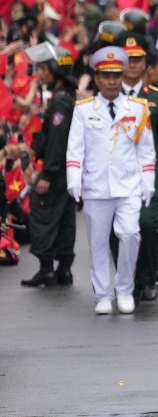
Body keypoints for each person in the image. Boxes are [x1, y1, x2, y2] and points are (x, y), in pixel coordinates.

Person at [67, 45, 156, 316]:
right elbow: (75, 149)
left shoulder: (138, 108)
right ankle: (103, 295)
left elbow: (146, 149)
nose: (112, 81)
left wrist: (148, 181)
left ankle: (125, 289)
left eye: (116, 75)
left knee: (130, 234)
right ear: (96, 78)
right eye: (105, 76)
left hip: (128, 183)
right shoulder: (83, 109)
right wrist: (74, 178)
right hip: (96, 185)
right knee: (97, 243)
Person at [118, 37, 158, 301]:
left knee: (146, 223)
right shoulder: (109, 98)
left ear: (145, 64)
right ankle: (126, 279)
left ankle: (146, 278)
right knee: (120, 230)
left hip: (149, 175)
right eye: (128, 60)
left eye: (138, 60)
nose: (133, 65)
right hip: (117, 174)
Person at [19, 43, 79, 288]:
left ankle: (47, 270)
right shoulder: (65, 96)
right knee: (65, 219)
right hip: (67, 172)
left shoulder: (60, 103)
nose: (39, 73)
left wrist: (46, 174)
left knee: (43, 215)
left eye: (43, 68)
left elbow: (57, 143)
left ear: (56, 69)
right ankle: (63, 270)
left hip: (57, 172)